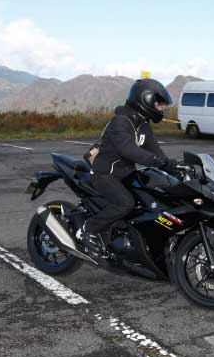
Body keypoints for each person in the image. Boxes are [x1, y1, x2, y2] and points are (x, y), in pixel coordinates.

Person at [76, 78, 178, 255]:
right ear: (145, 100)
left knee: (153, 196)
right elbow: (128, 150)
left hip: (126, 174)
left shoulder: (143, 124)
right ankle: (87, 230)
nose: (161, 108)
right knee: (125, 203)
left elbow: (155, 150)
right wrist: (156, 161)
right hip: (105, 174)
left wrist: (174, 168)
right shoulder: (120, 121)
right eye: (158, 104)